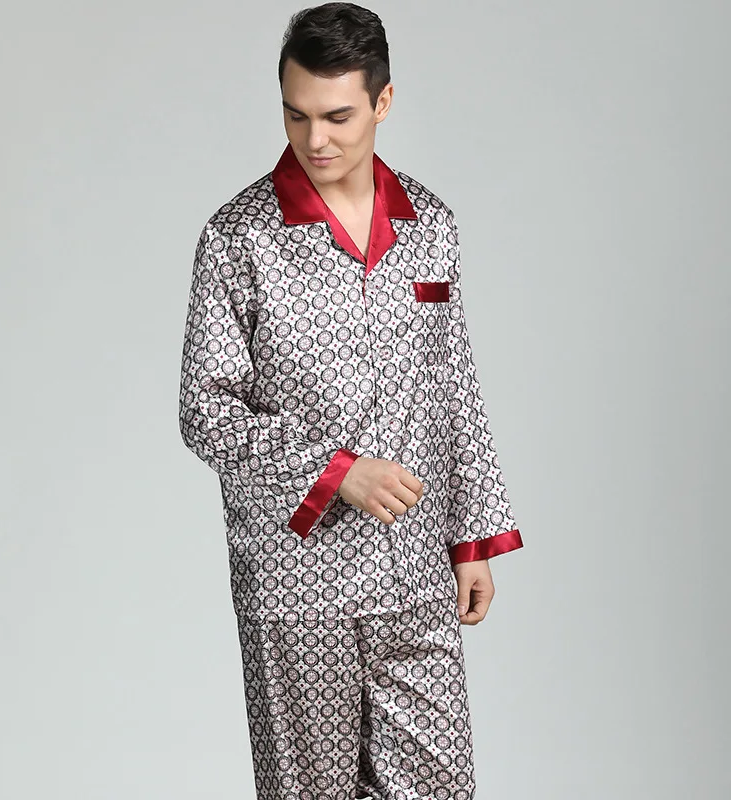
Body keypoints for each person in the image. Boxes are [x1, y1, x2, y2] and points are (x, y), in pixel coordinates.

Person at [178, 3, 523, 797]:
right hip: (298, 584)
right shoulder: (238, 238)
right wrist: (339, 472)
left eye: (338, 116)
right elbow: (206, 408)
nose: (316, 140)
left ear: (383, 102)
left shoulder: (431, 226)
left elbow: (453, 379)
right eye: (296, 115)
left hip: (414, 570)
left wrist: (472, 539)